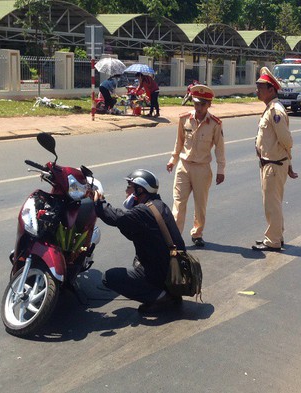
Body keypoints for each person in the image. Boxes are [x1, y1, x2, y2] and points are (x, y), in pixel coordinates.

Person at [92, 169, 186, 313]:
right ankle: (168, 290)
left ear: (140, 189)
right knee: (137, 262)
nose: (126, 190)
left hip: (162, 271)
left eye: (129, 186)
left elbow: (118, 218)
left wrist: (99, 202)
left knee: (109, 277)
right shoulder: (158, 205)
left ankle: (160, 296)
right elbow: (132, 231)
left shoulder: (144, 211)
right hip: (172, 269)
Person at [166, 84, 226, 248]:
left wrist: (221, 170)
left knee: (200, 204)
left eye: (202, 104)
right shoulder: (185, 119)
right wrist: (173, 159)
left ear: (209, 105)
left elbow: (220, 148)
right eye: (196, 103)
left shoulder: (215, 124)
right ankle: (175, 237)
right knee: (178, 203)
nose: (198, 108)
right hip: (184, 166)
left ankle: (197, 233)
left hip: (202, 168)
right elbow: (179, 141)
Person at [252, 67, 298, 252]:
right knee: (273, 202)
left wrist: (287, 161)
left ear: (271, 89)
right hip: (272, 163)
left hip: (273, 163)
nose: (258, 91)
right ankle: (276, 235)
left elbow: (286, 140)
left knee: (272, 204)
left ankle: (273, 241)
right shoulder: (270, 109)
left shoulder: (276, 111)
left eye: (261, 87)